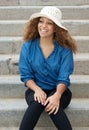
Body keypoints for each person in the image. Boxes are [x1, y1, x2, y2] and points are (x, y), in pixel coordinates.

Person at [19, 6, 77, 130]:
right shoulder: (27, 46)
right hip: (35, 90)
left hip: (60, 92)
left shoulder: (65, 49)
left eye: (49, 23)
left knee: (52, 104)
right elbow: (26, 75)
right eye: (41, 21)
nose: (43, 26)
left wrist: (57, 95)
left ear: (56, 28)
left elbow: (64, 77)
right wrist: (37, 89)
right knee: (37, 103)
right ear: (36, 23)